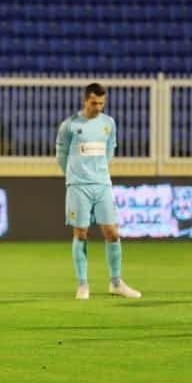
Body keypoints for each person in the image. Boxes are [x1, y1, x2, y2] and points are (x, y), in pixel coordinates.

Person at [56, 82, 141, 300]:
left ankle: (116, 282)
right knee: (81, 232)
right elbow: (61, 154)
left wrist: (98, 171)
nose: (98, 107)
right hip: (78, 186)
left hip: (102, 184)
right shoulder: (70, 125)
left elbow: (110, 149)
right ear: (85, 100)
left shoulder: (108, 124)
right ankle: (83, 285)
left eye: (102, 103)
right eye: (94, 103)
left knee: (112, 232)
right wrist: (74, 175)